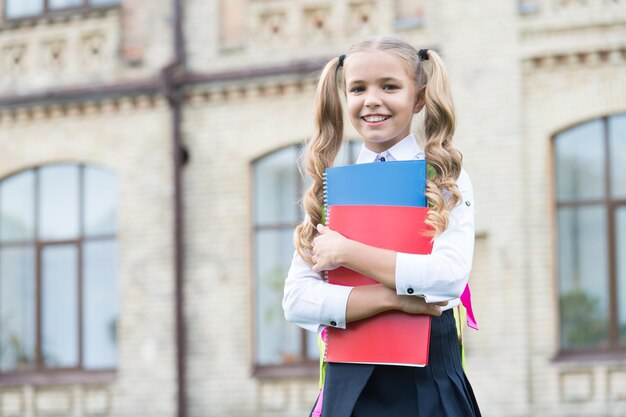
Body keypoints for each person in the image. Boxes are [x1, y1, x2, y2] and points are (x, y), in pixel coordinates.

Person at [282, 36, 481, 417]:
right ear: (345, 96)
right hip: (349, 391)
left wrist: (347, 252)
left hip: (427, 387)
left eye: (389, 86)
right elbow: (297, 301)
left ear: (419, 97)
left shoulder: (443, 180)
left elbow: (448, 279)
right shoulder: (331, 188)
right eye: (358, 89)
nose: (372, 99)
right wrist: (394, 299)